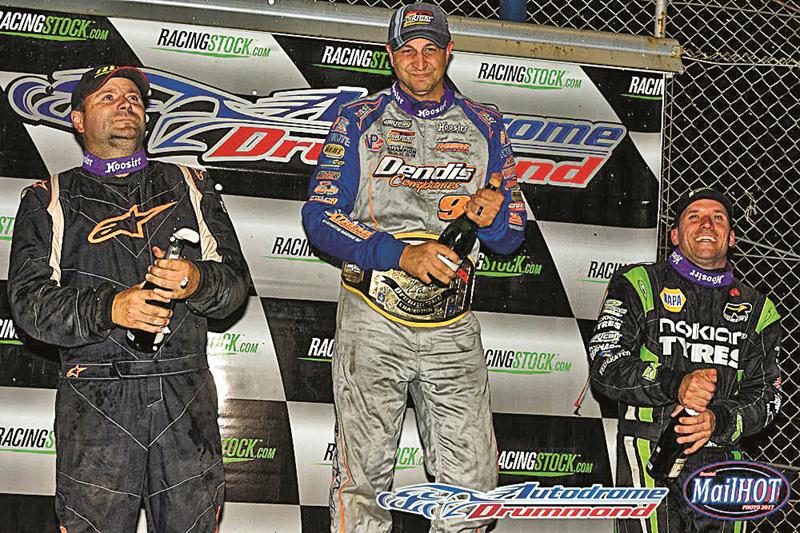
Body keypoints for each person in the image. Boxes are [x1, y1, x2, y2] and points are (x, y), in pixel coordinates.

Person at [302, 3, 526, 532]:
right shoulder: (358, 120)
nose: (420, 61)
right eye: (408, 50)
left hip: (452, 324)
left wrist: (491, 221)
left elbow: (510, 233)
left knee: (473, 490)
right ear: (390, 55)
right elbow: (320, 215)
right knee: (363, 482)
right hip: (373, 316)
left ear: (450, 53)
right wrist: (400, 253)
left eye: (431, 49)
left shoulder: (485, 124)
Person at [8, 65, 249, 532]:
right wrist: (111, 308)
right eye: (108, 97)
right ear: (78, 120)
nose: (126, 104)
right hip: (96, 396)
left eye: (134, 97)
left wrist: (197, 280)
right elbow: (29, 305)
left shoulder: (190, 185)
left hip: (185, 394)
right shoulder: (49, 197)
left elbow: (235, 287)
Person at [589, 188, 782, 532]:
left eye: (718, 218)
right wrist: (675, 384)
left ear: (732, 236)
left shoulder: (759, 309)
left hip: (722, 458)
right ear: (675, 235)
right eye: (694, 216)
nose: (707, 223)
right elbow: (605, 366)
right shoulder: (639, 282)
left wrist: (717, 419)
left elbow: (767, 397)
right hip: (648, 452)